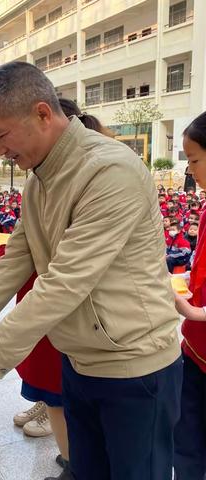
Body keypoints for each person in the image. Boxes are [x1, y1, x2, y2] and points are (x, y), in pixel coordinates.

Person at [0, 61, 181, 480]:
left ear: (43, 113)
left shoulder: (109, 171)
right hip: (78, 360)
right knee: (87, 470)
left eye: (1, 136)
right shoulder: (42, 176)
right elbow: (16, 260)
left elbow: (63, 283)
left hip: (134, 366)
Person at [173, 111, 206, 480]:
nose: (190, 170)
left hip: (200, 332)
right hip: (195, 349)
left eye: (195, 159)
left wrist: (194, 312)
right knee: (186, 443)